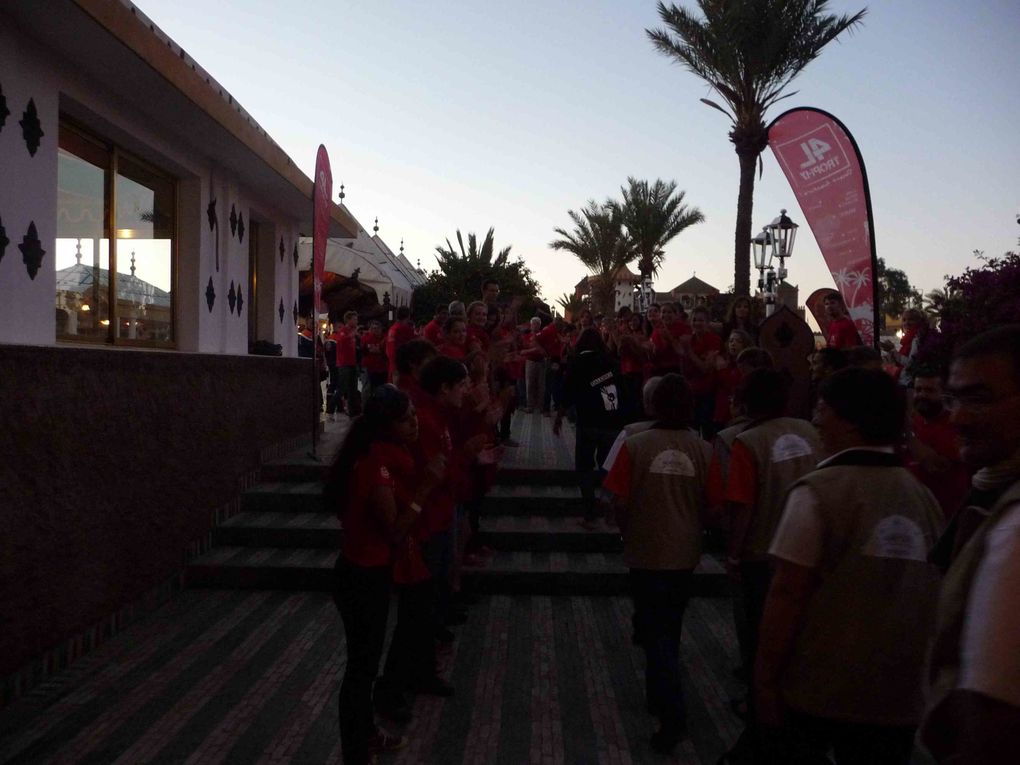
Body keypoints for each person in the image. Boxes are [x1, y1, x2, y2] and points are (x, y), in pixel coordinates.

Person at [756, 367, 942, 764]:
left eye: (822, 409)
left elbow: (787, 592)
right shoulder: (922, 497)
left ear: (852, 421)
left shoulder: (818, 493)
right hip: (898, 694)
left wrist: (766, 680)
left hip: (821, 691)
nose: (816, 420)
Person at [922, 325, 1020, 764]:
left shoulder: (1014, 528)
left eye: (979, 398)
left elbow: (990, 721)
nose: (957, 417)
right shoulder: (992, 492)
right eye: (954, 399)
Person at [325, 385, 434, 763]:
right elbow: (394, 528)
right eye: (406, 419)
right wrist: (424, 491)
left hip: (367, 571)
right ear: (387, 425)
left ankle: (365, 735)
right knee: (361, 670)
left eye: (414, 415)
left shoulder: (378, 455)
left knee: (364, 666)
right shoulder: (373, 464)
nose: (414, 424)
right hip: (361, 577)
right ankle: (356, 750)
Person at [602, 374, 711, 754]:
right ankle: (659, 692)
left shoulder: (636, 445)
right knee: (670, 625)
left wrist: (625, 530)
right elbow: (712, 503)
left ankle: (671, 712)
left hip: (645, 550)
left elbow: (617, 499)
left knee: (655, 632)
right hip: (684, 552)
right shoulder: (702, 449)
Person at [723, 369, 821, 699]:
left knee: (759, 631)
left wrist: (734, 552)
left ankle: (761, 699)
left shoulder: (748, 442)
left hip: (761, 551)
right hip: (807, 546)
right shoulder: (810, 432)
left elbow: (743, 504)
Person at [554, 327, 624, 528]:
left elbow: (568, 390)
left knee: (584, 467)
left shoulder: (578, 362)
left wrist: (559, 416)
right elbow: (622, 389)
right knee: (607, 465)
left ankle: (590, 513)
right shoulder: (611, 362)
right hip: (611, 421)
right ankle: (607, 504)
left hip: (588, 421)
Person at [908, 370, 970, 519]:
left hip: (946, 514)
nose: (921, 395)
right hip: (914, 511)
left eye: (929, 390)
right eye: (918, 390)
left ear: (944, 394)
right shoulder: (914, 422)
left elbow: (936, 465)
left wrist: (906, 432)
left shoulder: (956, 425)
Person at [649, 302, 691, 375]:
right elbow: (654, 352)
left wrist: (669, 338)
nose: (666, 315)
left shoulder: (683, 328)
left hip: (677, 368)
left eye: (669, 312)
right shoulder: (657, 329)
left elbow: (682, 352)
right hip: (659, 368)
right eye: (663, 312)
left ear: (675, 315)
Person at [335, 310, 361, 416]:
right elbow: (342, 340)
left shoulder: (353, 332)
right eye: (354, 319)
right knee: (342, 388)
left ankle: (353, 411)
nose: (356, 321)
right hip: (344, 363)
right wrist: (352, 334)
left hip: (352, 363)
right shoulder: (343, 330)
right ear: (348, 320)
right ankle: (331, 408)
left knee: (353, 389)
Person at [522, 316, 546, 413]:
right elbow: (523, 349)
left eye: (537, 324)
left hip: (541, 362)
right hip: (530, 362)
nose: (535, 326)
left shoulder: (542, 336)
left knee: (541, 385)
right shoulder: (526, 337)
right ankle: (530, 406)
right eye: (534, 323)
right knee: (530, 384)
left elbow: (544, 350)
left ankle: (540, 406)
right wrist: (534, 349)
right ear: (531, 325)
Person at [386, 306, 415, 383]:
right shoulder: (406, 329)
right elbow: (413, 347)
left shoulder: (392, 329)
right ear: (408, 316)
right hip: (402, 367)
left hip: (392, 365)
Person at [360, 320, 388, 396]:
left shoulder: (385, 338)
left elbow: (386, 351)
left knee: (382, 388)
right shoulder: (366, 338)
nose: (375, 330)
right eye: (373, 328)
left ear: (381, 329)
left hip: (382, 368)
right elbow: (363, 351)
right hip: (370, 368)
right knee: (369, 389)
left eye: (377, 328)